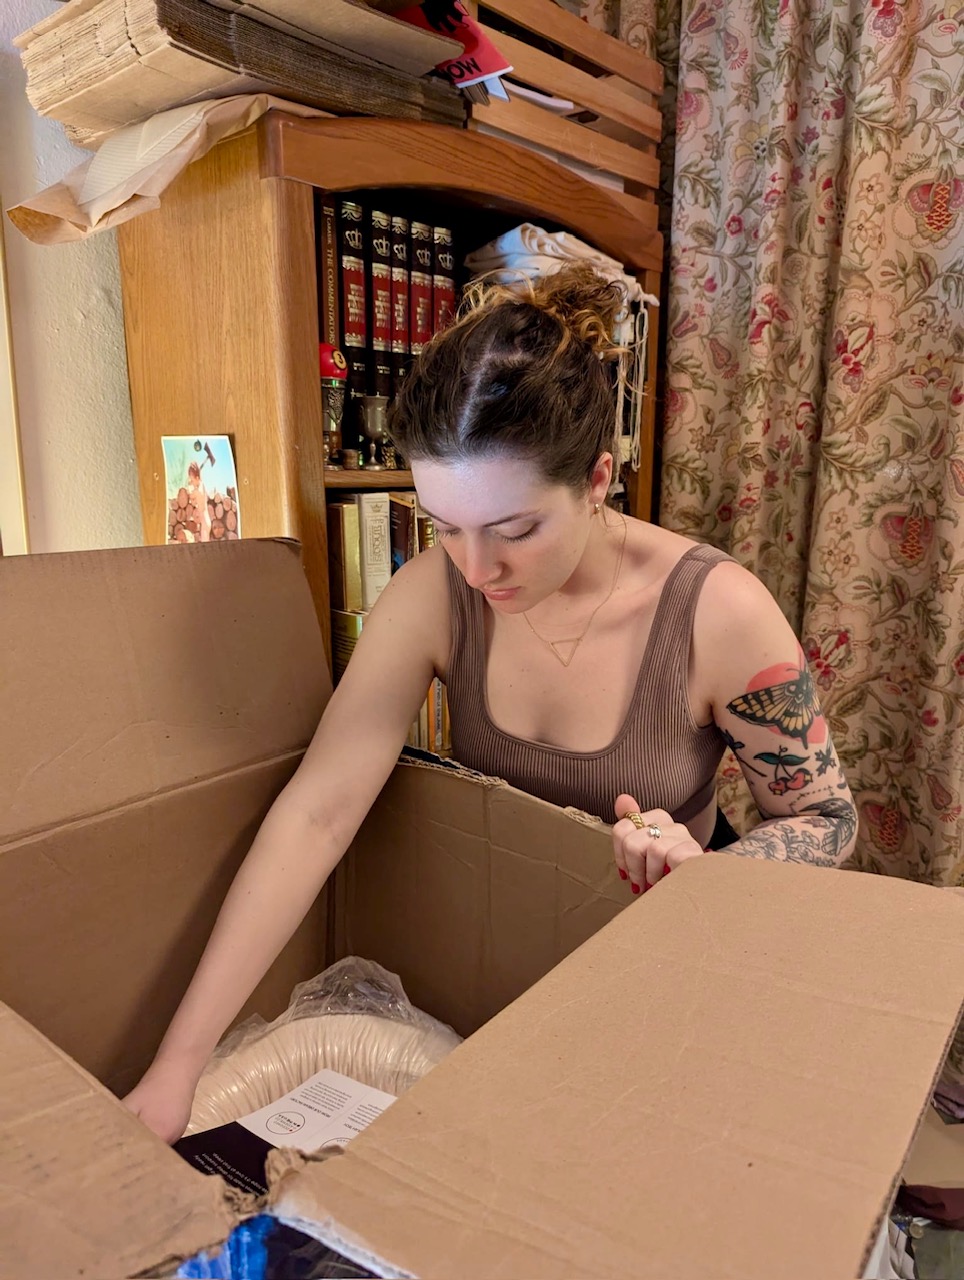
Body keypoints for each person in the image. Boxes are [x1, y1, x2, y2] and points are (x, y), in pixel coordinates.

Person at [124, 264, 857, 1143]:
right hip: (499, 969)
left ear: (597, 478)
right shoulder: (434, 593)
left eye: (515, 531)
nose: (478, 570)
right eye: (444, 525)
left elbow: (827, 815)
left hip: (661, 975)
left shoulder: (718, 612)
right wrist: (176, 1069)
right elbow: (318, 815)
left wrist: (710, 873)